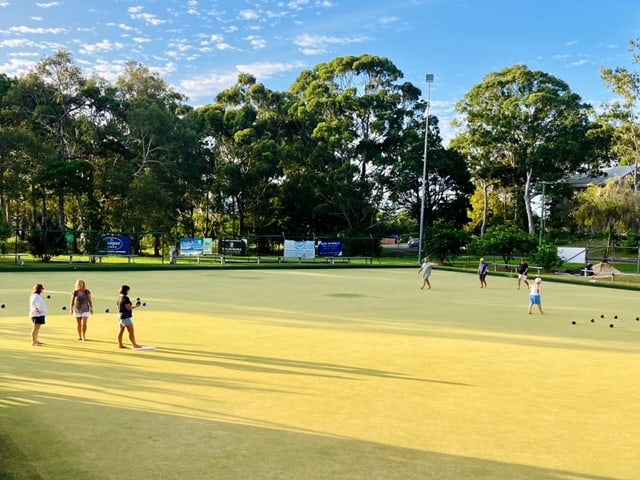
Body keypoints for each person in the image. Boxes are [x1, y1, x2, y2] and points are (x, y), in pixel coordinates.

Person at [117, 285, 142, 349]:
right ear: (126, 291)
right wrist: (137, 306)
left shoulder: (119, 298)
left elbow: (119, 307)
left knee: (121, 331)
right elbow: (129, 308)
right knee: (131, 332)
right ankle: (134, 345)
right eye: (128, 290)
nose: (128, 292)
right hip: (126, 317)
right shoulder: (126, 298)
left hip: (120, 316)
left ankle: (120, 344)